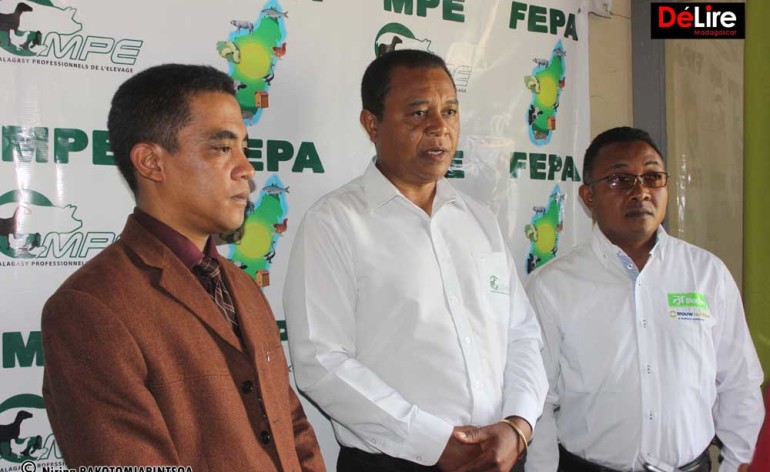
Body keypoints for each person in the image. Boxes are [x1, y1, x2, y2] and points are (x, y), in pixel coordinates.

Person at [41, 64, 325, 471]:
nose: (247, 169)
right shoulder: (89, 308)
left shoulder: (242, 286)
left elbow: (292, 426)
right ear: (151, 162)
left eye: (244, 148)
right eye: (222, 148)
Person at [283, 49, 547, 472]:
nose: (440, 127)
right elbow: (321, 361)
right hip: (396, 462)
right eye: (419, 113)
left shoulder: (480, 220)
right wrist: (433, 442)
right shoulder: (334, 223)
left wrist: (517, 425)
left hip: (500, 455)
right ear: (372, 124)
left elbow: (521, 336)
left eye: (450, 111)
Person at [524, 127, 764, 472]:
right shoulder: (552, 285)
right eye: (620, 179)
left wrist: (736, 463)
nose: (641, 192)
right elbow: (537, 400)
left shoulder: (706, 273)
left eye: (653, 177)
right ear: (588, 196)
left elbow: (739, 382)